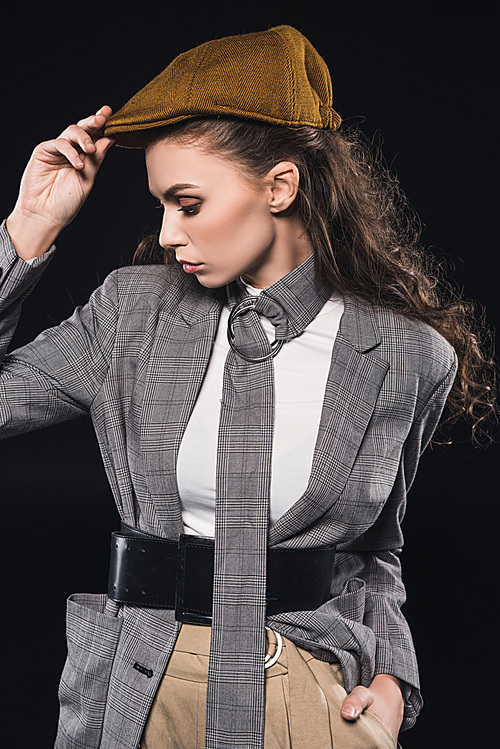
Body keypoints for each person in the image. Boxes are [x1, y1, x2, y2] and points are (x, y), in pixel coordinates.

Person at [1, 25, 496, 749]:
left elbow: (375, 552)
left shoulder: (406, 357)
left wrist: (392, 679)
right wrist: (27, 231)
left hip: (305, 699)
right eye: (161, 205)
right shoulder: (132, 313)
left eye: (189, 203)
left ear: (281, 185)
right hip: (138, 692)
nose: (168, 233)